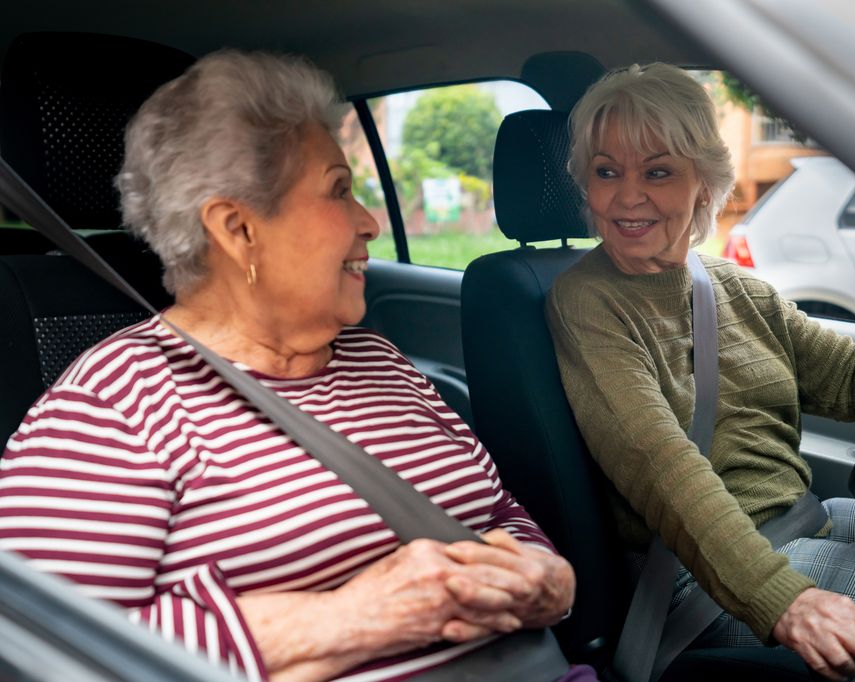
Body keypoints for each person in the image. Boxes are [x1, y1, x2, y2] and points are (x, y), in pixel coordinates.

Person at [0, 50, 589, 682]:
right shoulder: (113, 407)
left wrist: (548, 575)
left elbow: (496, 514)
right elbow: (43, 646)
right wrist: (360, 616)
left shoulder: (380, 360)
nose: (368, 222)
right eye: (339, 190)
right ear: (238, 229)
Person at [545, 62, 855, 681]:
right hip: (702, 576)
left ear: (703, 181)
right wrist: (785, 600)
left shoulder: (732, 286)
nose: (627, 196)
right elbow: (661, 465)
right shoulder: (586, 301)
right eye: (606, 172)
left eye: (657, 171)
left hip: (809, 521)